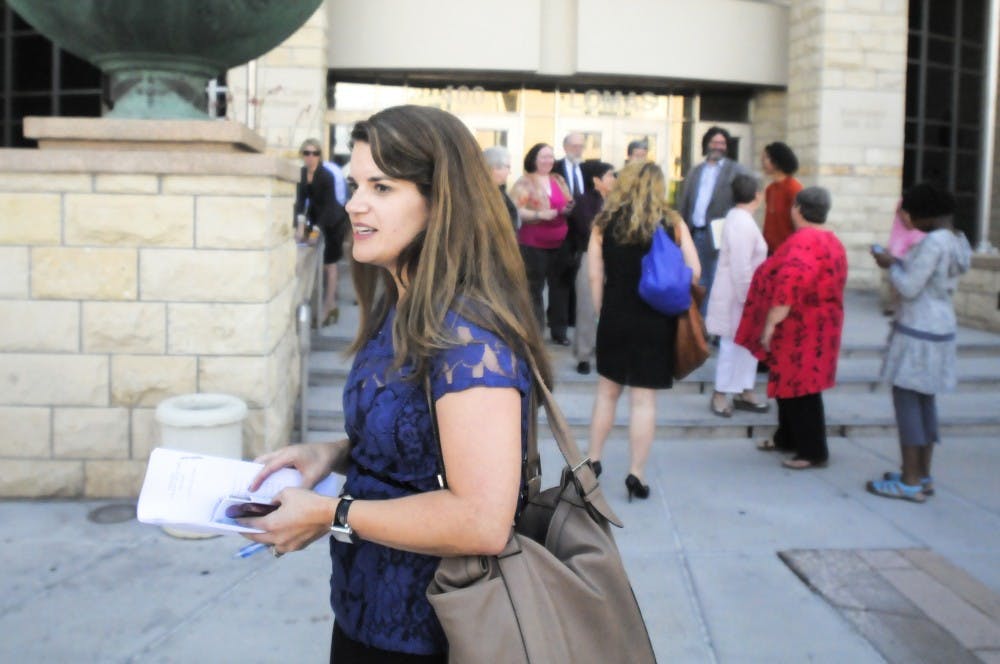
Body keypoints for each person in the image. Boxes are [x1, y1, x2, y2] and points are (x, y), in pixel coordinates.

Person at [241, 105, 550, 662]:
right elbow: (418, 438)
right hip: (364, 612)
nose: (354, 203)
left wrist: (326, 512)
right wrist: (328, 454)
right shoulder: (403, 304)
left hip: (438, 632)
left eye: (381, 187)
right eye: (356, 183)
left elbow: (481, 520)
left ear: (440, 203)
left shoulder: (469, 338)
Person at [586, 162, 700, 500]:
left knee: (607, 393)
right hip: (655, 319)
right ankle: (636, 473)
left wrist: (600, 311)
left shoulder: (604, 223)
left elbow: (594, 276)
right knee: (643, 401)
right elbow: (695, 271)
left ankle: (592, 461)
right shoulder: (673, 222)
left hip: (616, 316)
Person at [866, 182, 971, 502]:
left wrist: (890, 264)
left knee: (908, 403)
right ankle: (922, 474)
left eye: (909, 215)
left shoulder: (932, 244)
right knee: (925, 403)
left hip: (918, 331)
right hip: (941, 329)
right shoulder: (957, 240)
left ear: (922, 214)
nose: (907, 221)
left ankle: (909, 480)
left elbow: (910, 286)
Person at [735, 187, 847, 470]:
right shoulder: (831, 240)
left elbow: (792, 283)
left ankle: (813, 451)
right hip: (820, 325)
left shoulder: (805, 241)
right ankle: (786, 437)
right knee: (790, 385)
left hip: (802, 327)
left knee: (803, 389)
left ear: (797, 209)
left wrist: (770, 324)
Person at [705, 174, 769, 417]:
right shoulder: (741, 222)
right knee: (732, 345)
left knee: (746, 344)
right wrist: (748, 298)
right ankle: (721, 393)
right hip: (739, 295)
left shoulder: (741, 219)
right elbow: (741, 265)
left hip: (744, 294)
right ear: (757, 195)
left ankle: (744, 389)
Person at [676, 126, 749, 314]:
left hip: (719, 237)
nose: (718, 146)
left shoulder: (736, 170)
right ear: (707, 144)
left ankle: (708, 327)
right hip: (694, 234)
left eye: (722, 143)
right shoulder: (696, 171)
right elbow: (684, 202)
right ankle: (695, 325)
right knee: (695, 281)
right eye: (714, 142)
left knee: (716, 283)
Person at [510, 143, 575, 344]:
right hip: (533, 243)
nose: (548, 161)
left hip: (561, 242)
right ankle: (534, 332)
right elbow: (515, 209)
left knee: (560, 288)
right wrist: (540, 214)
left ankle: (559, 332)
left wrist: (567, 209)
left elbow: (568, 201)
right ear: (533, 159)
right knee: (534, 289)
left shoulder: (558, 179)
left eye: (550, 157)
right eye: (543, 157)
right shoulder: (524, 182)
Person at [295, 138, 349, 327]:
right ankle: (329, 303)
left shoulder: (326, 176)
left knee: (330, 264)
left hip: (333, 220)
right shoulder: (301, 174)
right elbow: (301, 202)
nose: (311, 157)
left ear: (320, 155)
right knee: (310, 254)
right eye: (307, 153)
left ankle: (328, 308)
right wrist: (301, 226)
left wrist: (316, 230)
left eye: (315, 153)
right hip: (316, 217)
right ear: (302, 155)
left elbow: (327, 207)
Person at [571, 160, 615, 375]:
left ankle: (607, 351)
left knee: (613, 307)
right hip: (591, 257)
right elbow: (587, 228)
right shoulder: (584, 201)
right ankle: (584, 355)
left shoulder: (618, 201)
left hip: (616, 257)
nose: (614, 180)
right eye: (609, 175)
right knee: (587, 307)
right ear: (596, 179)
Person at [761, 141, 803, 255]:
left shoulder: (794, 188)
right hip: (770, 252)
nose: (762, 162)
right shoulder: (770, 189)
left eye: (766, 158)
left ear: (776, 161)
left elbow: (800, 223)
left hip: (787, 252)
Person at [483, 145, 518, 231]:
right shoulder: (484, 194)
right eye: (508, 167)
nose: (509, 172)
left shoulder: (499, 189)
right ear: (494, 168)